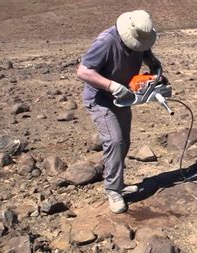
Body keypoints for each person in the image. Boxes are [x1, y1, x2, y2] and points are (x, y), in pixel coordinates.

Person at [77, 10, 162, 213]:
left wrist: (157, 73)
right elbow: (83, 71)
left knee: (124, 141)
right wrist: (112, 86)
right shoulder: (106, 42)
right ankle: (113, 190)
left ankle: (118, 183)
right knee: (114, 140)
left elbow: (151, 61)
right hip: (101, 98)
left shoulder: (141, 41)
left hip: (123, 98)